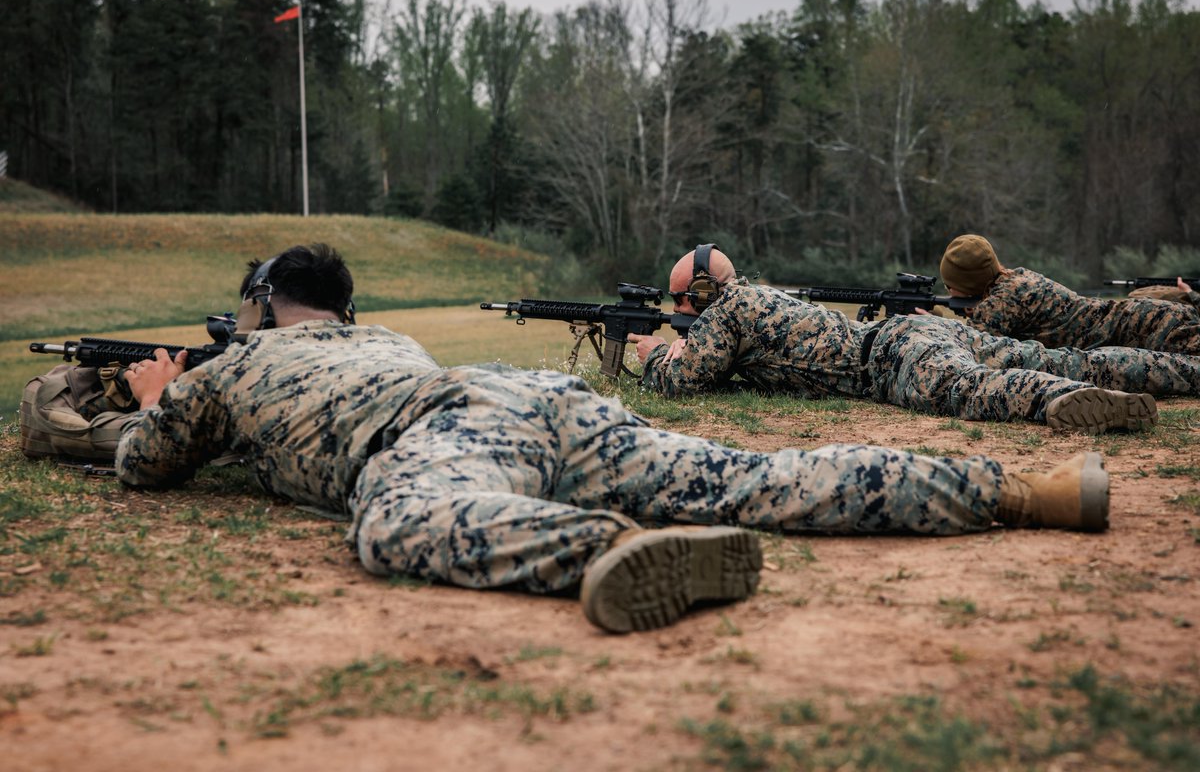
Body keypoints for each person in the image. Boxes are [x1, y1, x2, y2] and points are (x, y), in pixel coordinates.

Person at [119, 244, 1110, 636]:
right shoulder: (384, 335)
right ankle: (1032, 489)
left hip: (442, 428)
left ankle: (611, 545)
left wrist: (161, 392)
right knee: (749, 476)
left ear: (261, 304)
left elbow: (145, 461)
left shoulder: (239, 365)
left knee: (395, 520)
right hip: (532, 397)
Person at [629, 245, 1200, 432]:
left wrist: (654, 357)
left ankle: (1055, 398)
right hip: (912, 333)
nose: (678, 310)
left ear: (704, 292)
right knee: (1070, 356)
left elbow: (682, 381)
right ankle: (1187, 372)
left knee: (973, 390)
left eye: (681, 299)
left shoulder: (727, 313)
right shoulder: (755, 295)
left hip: (891, 357)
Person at [938, 234, 1200, 353]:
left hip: (1149, 326)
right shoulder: (1016, 277)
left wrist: (935, 317)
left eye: (950, 285)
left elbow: (970, 348)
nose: (948, 290)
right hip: (1140, 317)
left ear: (969, 284)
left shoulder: (1003, 302)